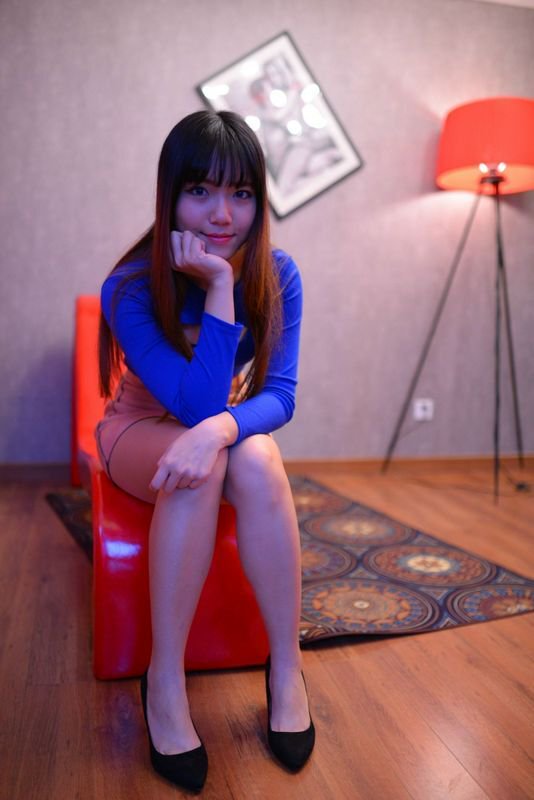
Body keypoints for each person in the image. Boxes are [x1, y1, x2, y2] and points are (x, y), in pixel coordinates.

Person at [96, 110, 314, 792]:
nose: (222, 214)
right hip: (137, 430)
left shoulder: (278, 274)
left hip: (212, 432)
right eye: (201, 191)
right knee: (214, 459)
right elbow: (193, 406)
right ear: (171, 194)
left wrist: (222, 430)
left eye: (241, 193)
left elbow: (280, 395)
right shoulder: (130, 284)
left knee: (257, 455)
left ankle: (287, 665)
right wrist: (219, 286)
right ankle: (164, 680)